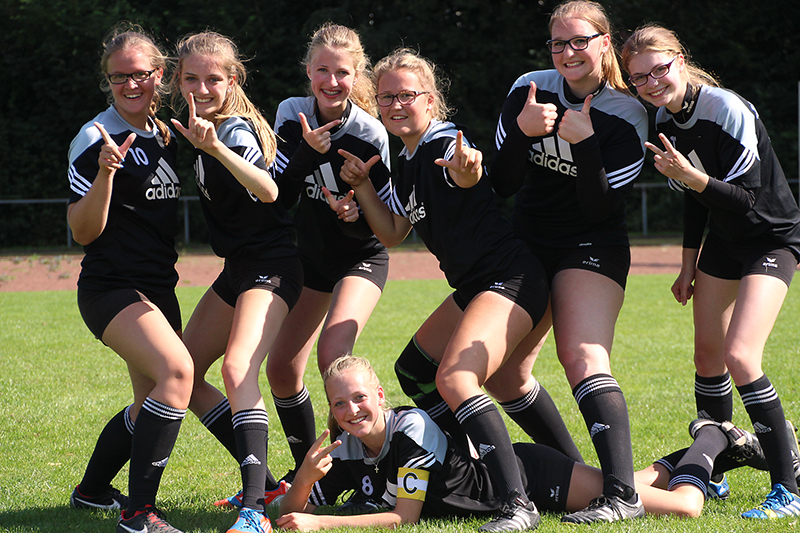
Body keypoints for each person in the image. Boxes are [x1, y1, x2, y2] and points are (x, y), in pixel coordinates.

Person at [339, 48, 558, 532]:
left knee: (456, 380)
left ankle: (516, 504)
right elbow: (394, 231)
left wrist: (467, 166)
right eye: (387, 97)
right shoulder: (407, 158)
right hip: (477, 284)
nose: (397, 104)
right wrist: (362, 187)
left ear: (431, 101)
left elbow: (468, 170)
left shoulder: (440, 141)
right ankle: (493, 458)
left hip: (511, 276)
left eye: (407, 95)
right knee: (414, 369)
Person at [621, 24, 800, 520]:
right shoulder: (663, 118)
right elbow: (696, 203)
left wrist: (690, 176)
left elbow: (746, 200)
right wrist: (687, 265)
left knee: (742, 355)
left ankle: (790, 489)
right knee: (707, 355)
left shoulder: (727, 108)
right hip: (722, 243)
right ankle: (714, 471)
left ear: (680, 59)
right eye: (640, 77)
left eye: (660, 68)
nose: (652, 82)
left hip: (769, 239)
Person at [276, 356, 771, 530]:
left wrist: (322, 523)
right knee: (629, 482)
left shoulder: (411, 431)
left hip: (530, 477)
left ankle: (710, 439)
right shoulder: (343, 443)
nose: (351, 411)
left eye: (359, 398)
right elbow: (295, 508)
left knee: (683, 509)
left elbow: (404, 518)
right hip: (520, 480)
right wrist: (303, 482)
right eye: (339, 404)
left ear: (379, 396)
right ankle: (689, 454)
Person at [489, 0, 648, 523]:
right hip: (528, 241)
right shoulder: (528, 89)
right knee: (506, 374)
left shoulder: (626, 111)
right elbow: (502, 183)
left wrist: (585, 146)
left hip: (591, 244)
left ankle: (622, 496)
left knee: (581, 356)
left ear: (605, 43)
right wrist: (523, 131)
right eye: (559, 42)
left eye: (581, 40)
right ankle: (581, 476)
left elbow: (598, 206)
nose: (569, 51)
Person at [170, 31, 302, 533]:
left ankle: (255, 511)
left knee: (238, 368)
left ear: (233, 79)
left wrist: (216, 149)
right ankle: (266, 483)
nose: (202, 88)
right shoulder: (202, 125)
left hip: (272, 265)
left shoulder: (234, 132)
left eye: (214, 79)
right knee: (185, 371)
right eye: (192, 79)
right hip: (240, 268)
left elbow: (269, 191)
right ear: (178, 81)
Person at [67, 24, 190, 533]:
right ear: (109, 81)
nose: (130, 85)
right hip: (110, 288)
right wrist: (105, 174)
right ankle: (140, 515)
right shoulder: (94, 136)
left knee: (150, 404)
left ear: (158, 75)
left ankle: (92, 492)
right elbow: (81, 231)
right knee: (178, 376)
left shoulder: (167, 132)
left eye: (140, 74)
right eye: (119, 77)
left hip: (160, 286)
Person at [265, 23, 392, 484]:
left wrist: (356, 209)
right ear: (309, 71)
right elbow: (277, 196)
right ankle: (310, 469)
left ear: (356, 74)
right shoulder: (291, 114)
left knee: (333, 355)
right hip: (311, 258)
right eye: (323, 70)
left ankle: (368, 465)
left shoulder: (371, 132)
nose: (332, 81)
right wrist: (304, 151)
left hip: (361, 255)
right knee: (280, 368)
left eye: (342, 71)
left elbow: (387, 217)